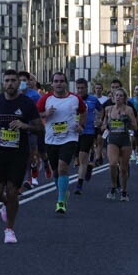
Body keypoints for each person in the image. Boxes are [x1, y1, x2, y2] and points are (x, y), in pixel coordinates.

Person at [0, 69, 42, 244]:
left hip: (18, 153)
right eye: (7, 80)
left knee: (12, 191)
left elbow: (40, 128)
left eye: (13, 80)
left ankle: (9, 229)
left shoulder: (27, 103)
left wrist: (25, 126)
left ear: (19, 83)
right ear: (3, 83)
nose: (10, 84)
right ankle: (6, 203)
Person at [36, 72, 86, 214]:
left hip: (70, 137)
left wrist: (81, 126)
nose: (59, 84)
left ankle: (60, 201)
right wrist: (45, 114)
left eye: (61, 81)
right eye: (56, 81)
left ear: (66, 83)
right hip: (51, 138)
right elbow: (35, 113)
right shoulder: (46, 98)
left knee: (63, 167)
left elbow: (83, 112)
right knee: (56, 172)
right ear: (52, 84)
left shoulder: (75, 98)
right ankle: (63, 193)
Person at [99, 88, 137, 200]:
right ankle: (114, 186)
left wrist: (127, 121)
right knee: (112, 164)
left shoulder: (128, 109)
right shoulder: (108, 109)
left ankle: (124, 191)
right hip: (113, 139)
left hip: (125, 139)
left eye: (121, 96)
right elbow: (104, 125)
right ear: (113, 97)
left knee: (124, 168)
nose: (118, 97)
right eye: (117, 95)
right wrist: (103, 126)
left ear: (125, 98)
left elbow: (135, 127)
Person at [72, 78, 102, 194]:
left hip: (88, 131)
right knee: (77, 160)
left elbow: (101, 110)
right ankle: (89, 166)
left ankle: (79, 185)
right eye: (78, 88)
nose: (80, 90)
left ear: (86, 88)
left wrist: (99, 120)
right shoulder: (72, 99)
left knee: (82, 157)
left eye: (82, 88)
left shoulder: (93, 99)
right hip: (74, 132)